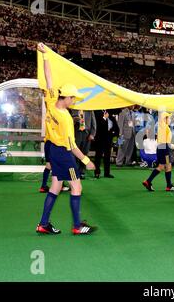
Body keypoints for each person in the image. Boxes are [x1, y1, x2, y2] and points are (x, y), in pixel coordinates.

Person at [36, 42, 96, 235]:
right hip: (64, 154)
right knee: (76, 185)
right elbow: (72, 146)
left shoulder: (52, 100)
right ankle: (77, 226)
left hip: (52, 149)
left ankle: (43, 224)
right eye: (74, 98)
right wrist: (87, 160)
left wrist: (46, 56)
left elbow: (49, 78)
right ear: (68, 97)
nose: (74, 101)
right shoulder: (66, 118)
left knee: (56, 184)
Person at [142, 112, 174, 192]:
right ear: (165, 119)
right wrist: (173, 147)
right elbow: (165, 142)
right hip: (164, 149)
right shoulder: (165, 127)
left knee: (161, 166)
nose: (170, 120)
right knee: (168, 166)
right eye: (168, 118)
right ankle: (168, 186)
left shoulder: (161, 126)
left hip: (160, 148)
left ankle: (149, 181)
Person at [71, 109, 96, 179]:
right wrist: (74, 120)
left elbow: (94, 123)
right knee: (75, 153)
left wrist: (92, 134)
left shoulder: (90, 110)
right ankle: (75, 172)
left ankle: (82, 172)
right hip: (76, 133)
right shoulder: (73, 109)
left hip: (87, 134)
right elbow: (70, 122)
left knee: (84, 153)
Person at [93, 109, 118, 178]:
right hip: (100, 137)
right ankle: (97, 172)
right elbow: (97, 124)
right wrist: (104, 118)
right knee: (98, 155)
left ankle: (107, 173)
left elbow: (114, 123)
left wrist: (115, 133)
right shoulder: (97, 112)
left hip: (108, 137)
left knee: (107, 155)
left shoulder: (110, 111)